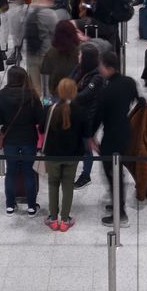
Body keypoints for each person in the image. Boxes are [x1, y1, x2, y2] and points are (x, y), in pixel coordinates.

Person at [94, 50, 139, 227]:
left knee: (112, 172)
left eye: (101, 66)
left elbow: (98, 115)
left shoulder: (106, 90)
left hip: (111, 137)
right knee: (117, 170)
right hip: (125, 132)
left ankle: (120, 214)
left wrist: (90, 135)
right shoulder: (129, 82)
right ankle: (117, 203)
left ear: (109, 68)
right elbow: (140, 101)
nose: (100, 69)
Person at [0, 66, 45, 216]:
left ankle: (10, 205)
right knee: (29, 172)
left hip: (10, 140)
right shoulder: (32, 95)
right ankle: (31, 207)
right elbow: (40, 119)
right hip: (29, 138)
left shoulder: (2, 95)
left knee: (11, 172)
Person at [42, 77, 91, 231]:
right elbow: (86, 133)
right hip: (73, 155)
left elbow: (42, 130)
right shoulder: (81, 110)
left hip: (52, 154)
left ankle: (52, 218)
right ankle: (65, 220)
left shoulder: (50, 109)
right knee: (68, 185)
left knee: (53, 184)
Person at [24, 0, 70, 96]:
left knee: (36, 88)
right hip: (45, 56)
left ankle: (38, 108)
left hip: (31, 55)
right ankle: (46, 108)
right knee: (47, 89)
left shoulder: (30, 10)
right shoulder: (49, 14)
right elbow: (57, 33)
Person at [72, 43, 104, 190]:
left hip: (89, 118)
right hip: (77, 115)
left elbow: (84, 95)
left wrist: (70, 95)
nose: (78, 56)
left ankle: (86, 175)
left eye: (80, 55)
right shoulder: (80, 69)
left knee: (86, 147)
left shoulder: (97, 77)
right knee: (81, 145)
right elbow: (68, 81)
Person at [41, 20, 82, 101]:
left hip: (56, 98)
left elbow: (45, 82)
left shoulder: (50, 54)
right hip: (75, 97)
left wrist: (46, 104)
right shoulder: (80, 52)